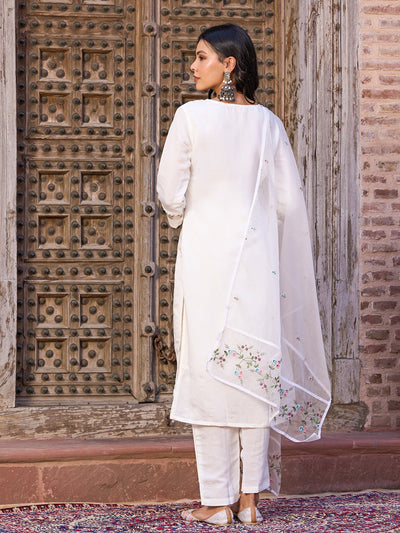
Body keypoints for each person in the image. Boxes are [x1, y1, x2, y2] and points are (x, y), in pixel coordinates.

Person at [157, 23, 331, 526]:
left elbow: (170, 192)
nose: (193, 66)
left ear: (229, 64)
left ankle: (217, 501)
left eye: (202, 57)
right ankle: (250, 500)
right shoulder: (269, 124)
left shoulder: (191, 116)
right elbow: (287, 205)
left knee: (207, 372)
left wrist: (187, 215)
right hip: (256, 263)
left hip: (207, 260)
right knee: (253, 371)